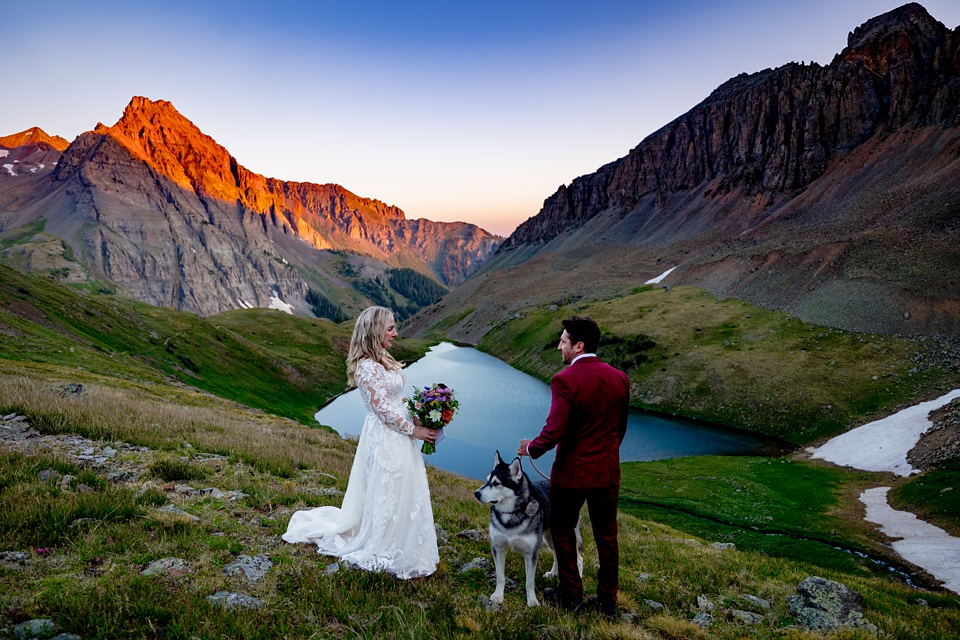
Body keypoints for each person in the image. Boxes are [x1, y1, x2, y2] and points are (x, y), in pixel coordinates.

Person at [282, 306, 440, 579]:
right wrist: (412, 430)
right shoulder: (367, 367)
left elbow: (395, 400)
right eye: (390, 328)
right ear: (375, 331)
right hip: (386, 436)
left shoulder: (384, 359)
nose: (396, 333)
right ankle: (385, 542)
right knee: (389, 485)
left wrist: (417, 414)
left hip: (401, 433)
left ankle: (406, 540)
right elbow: (381, 409)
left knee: (404, 485)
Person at [518, 316, 630, 618]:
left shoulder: (564, 380)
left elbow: (554, 430)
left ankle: (572, 595)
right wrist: (604, 454)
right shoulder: (619, 378)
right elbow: (619, 430)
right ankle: (607, 601)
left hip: (571, 475)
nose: (559, 346)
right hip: (606, 471)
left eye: (564, 341)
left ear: (578, 346)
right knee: (607, 535)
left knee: (564, 531)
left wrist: (530, 448)